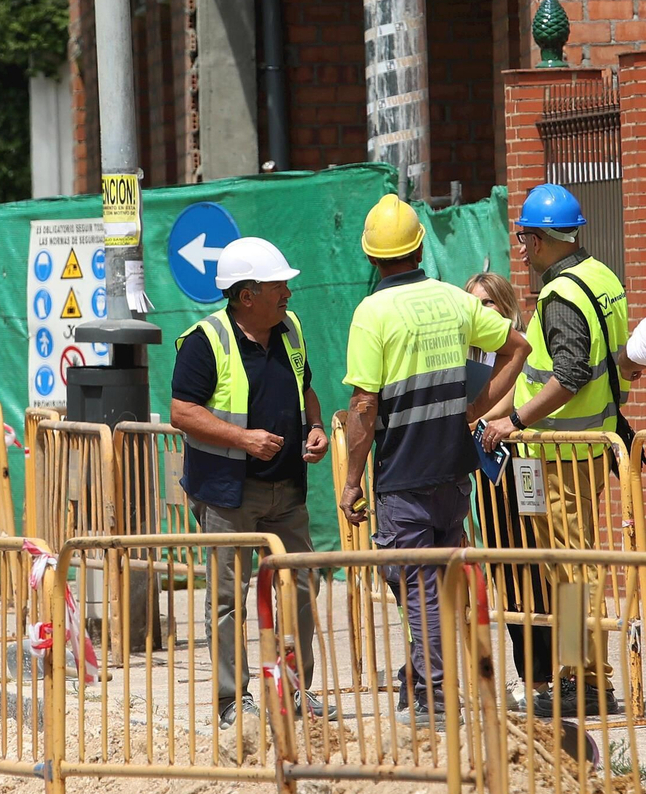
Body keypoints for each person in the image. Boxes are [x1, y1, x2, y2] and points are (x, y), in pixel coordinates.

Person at [340, 195, 530, 729]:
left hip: (402, 474)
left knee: (416, 583)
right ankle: (425, 684)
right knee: (433, 583)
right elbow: (518, 346)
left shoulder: (371, 312)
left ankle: (434, 700)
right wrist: (474, 407)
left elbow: (363, 405)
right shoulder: (454, 300)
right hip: (452, 471)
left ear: (372, 258)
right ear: (420, 246)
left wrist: (353, 480)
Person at [169, 236, 332, 729]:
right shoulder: (204, 341)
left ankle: (296, 689)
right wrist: (244, 439)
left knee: (303, 585)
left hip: (287, 489)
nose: (287, 293)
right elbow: (182, 412)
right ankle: (230, 700)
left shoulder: (290, 329)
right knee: (226, 600)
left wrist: (317, 426)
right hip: (228, 493)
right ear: (247, 296)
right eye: (278, 285)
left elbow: (307, 390)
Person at [481, 183, 628, 718]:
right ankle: (581, 674)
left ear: (540, 239)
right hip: (584, 448)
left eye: (523, 237)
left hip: (561, 455)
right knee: (573, 564)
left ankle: (585, 679)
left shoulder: (560, 294)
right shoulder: (602, 276)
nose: (520, 247)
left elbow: (566, 375)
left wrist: (514, 421)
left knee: (570, 570)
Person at [465, 272, 550, 712]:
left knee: (547, 575)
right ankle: (531, 679)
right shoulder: (468, 355)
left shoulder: (516, 347)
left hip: (528, 466)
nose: (480, 313)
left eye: (488, 305)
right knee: (508, 574)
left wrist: (478, 420)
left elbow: (516, 394)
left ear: (507, 308)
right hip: (489, 475)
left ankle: (566, 673)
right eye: (472, 305)